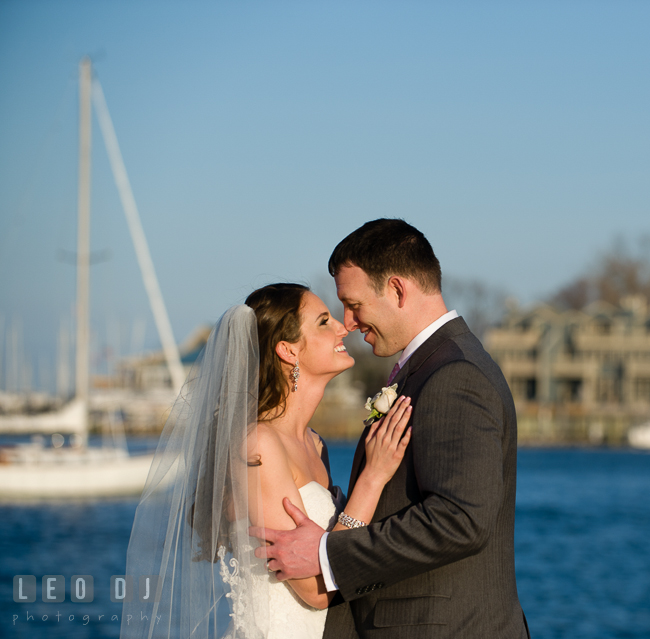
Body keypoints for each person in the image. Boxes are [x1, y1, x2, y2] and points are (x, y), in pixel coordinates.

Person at [251, 219, 530, 638]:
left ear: (398, 290)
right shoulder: (434, 368)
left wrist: (328, 555)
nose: (348, 321)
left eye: (354, 304)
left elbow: (462, 519)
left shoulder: (455, 375)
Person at [120, 283, 411, 639]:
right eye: (323, 321)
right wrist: (373, 477)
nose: (342, 327)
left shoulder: (314, 443)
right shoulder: (257, 443)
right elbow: (316, 590)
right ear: (288, 350)